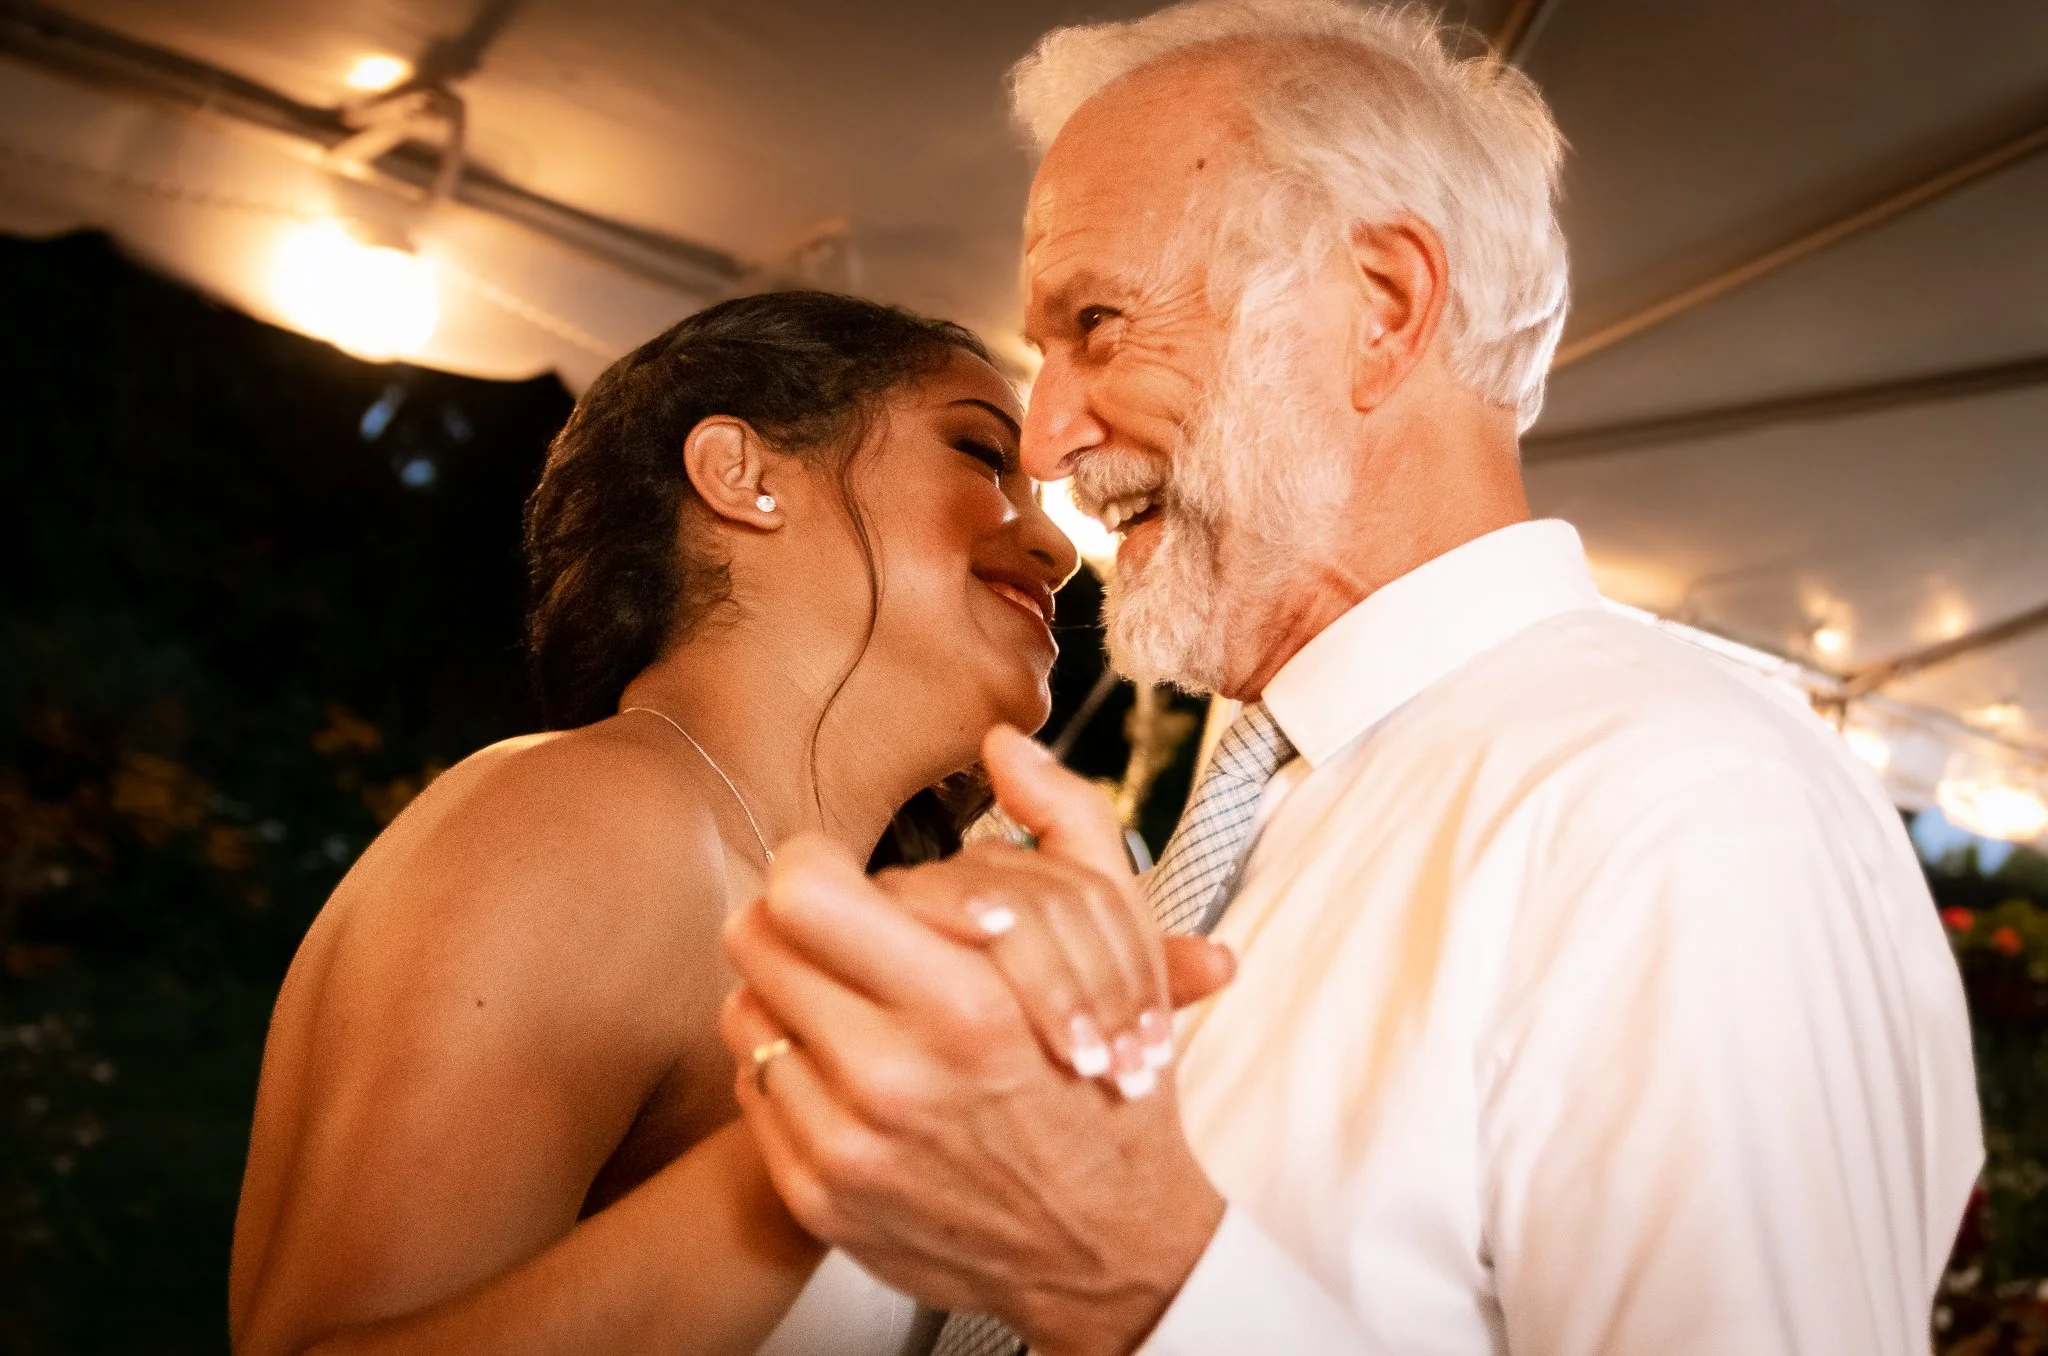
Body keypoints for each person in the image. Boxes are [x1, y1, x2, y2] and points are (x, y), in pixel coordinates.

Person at [719, 4, 1986, 1354]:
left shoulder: (1682, 799)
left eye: (1097, 322)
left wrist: (1138, 1280)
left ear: (1383, 308)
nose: (1047, 437)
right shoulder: (1268, 803)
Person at [227, 290, 1235, 1356]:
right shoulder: (586, 817)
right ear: (742, 476)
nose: (1055, 546)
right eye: (983, 458)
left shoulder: (811, 892)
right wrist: (838, 1133)